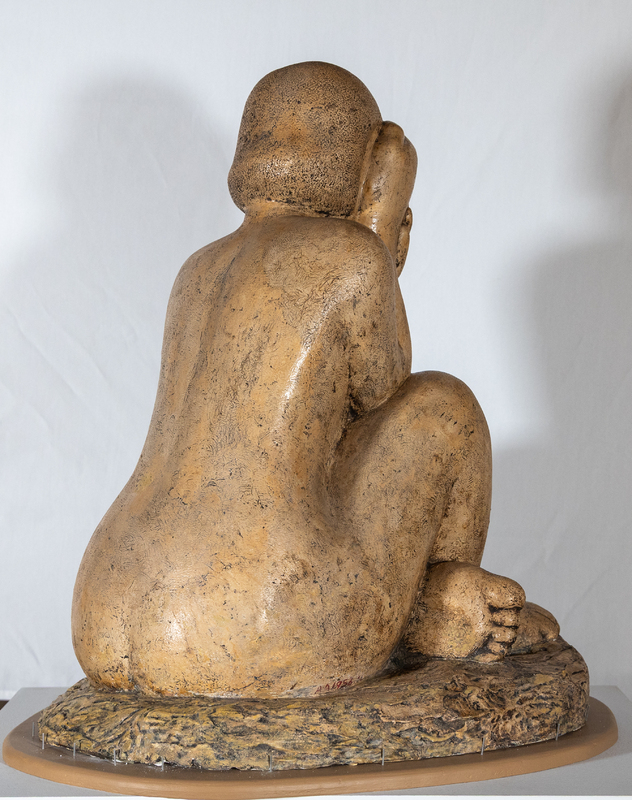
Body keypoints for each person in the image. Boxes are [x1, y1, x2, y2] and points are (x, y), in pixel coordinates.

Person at [72, 62, 558, 699]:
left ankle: (416, 606)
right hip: (259, 617)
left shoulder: (197, 270)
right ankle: (431, 600)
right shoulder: (351, 255)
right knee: (443, 404)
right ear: (362, 165)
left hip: (106, 604)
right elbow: (381, 391)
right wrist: (378, 229)